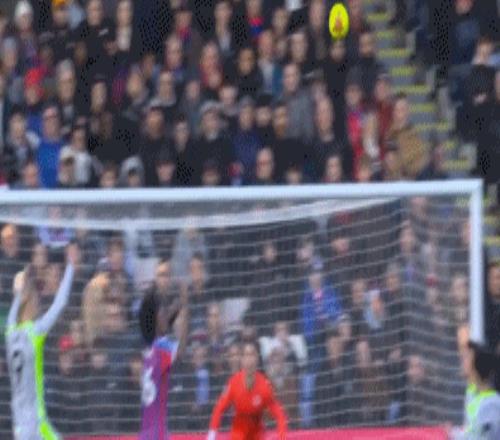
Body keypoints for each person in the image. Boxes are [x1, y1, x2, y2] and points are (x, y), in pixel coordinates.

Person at [4, 251, 75, 440]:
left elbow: (16, 303)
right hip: (36, 423)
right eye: (36, 298)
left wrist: (21, 289)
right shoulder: (35, 333)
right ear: (30, 301)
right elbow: (60, 303)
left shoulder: (9, 332)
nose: (38, 303)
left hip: (19, 427)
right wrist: (70, 268)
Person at [207, 341, 287, 440]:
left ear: (257, 359)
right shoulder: (233, 383)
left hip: (257, 434)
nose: (249, 359)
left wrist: (282, 437)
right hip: (238, 433)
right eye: (246, 355)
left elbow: (279, 415)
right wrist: (211, 436)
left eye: (252, 355)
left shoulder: (265, 385)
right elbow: (219, 409)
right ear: (241, 360)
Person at [138, 289, 189, 440]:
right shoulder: (162, 348)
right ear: (155, 319)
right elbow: (180, 351)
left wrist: (176, 307)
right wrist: (185, 310)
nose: (166, 316)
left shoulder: (150, 347)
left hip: (146, 432)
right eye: (162, 313)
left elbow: (164, 325)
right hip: (157, 433)